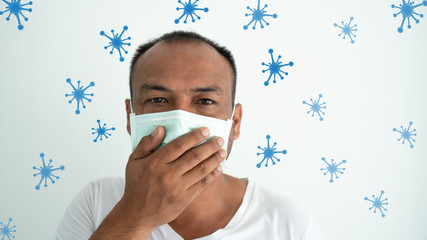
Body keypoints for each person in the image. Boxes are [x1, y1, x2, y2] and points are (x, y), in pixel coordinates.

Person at [56, 31, 324, 240]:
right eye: (159, 99)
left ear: (236, 122)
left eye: (205, 101)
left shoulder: (289, 223)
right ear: (131, 117)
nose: (181, 121)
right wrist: (135, 216)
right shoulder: (96, 202)